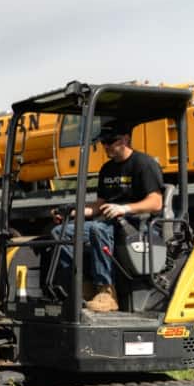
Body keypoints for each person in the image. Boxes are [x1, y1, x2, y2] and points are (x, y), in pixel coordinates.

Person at [53, 125, 164, 312]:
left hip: (139, 224)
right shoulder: (107, 169)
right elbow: (99, 205)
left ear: (126, 139)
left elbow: (156, 202)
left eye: (111, 142)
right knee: (61, 232)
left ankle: (107, 292)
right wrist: (72, 213)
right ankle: (84, 286)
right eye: (104, 142)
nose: (106, 147)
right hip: (111, 223)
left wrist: (124, 208)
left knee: (98, 229)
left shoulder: (143, 164)